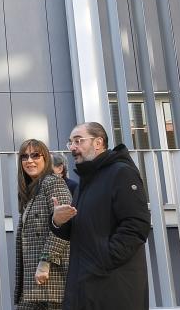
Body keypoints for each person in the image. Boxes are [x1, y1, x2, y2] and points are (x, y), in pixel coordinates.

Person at [51, 122, 151, 310]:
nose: (72, 147)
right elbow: (80, 228)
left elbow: (137, 225)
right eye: (70, 142)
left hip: (114, 286)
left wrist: (103, 260)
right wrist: (58, 221)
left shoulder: (121, 173)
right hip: (85, 284)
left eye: (78, 141)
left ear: (98, 143)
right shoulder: (86, 181)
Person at [14, 139, 71, 310]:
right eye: (24, 156)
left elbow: (65, 225)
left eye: (35, 155)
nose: (29, 160)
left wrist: (45, 262)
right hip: (33, 282)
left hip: (51, 278)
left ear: (45, 158)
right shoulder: (30, 190)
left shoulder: (53, 182)